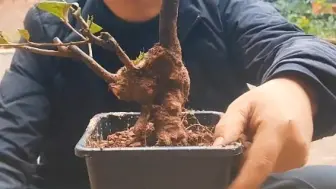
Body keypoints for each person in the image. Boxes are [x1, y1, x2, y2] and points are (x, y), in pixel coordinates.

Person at [0, 0, 335, 188]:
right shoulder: (54, 24)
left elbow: (297, 45)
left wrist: (297, 85)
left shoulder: (225, 8)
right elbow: (7, 145)